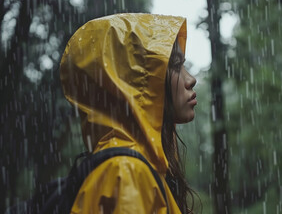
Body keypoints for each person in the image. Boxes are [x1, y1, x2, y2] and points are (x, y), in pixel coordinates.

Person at [60, 13, 198, 213]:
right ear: (132, 85)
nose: (191, 79)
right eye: (175, 66)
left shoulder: (138, 167)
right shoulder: (126, 173)